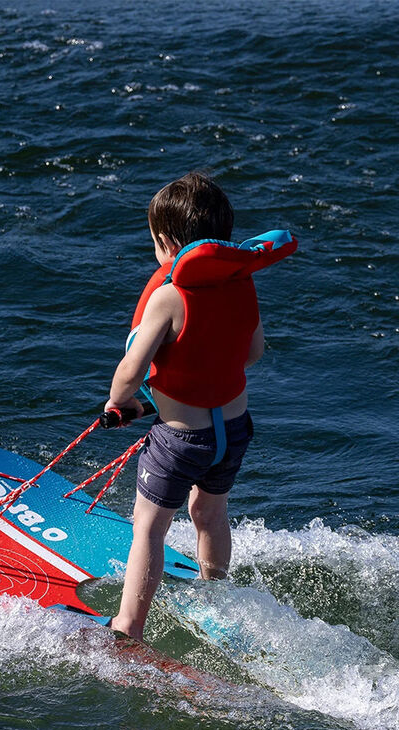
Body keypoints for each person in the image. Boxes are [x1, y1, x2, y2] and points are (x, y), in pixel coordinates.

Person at [104, 171, 294, 641]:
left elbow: (132, 368)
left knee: (148, 526)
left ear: (166, 243)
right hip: (234, 430)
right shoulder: (242, 285)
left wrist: (120, 401)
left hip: (180, 440)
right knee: (209, 513)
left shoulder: (170, 297)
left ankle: (128, 627)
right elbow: (252, 353)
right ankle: (218, 595)